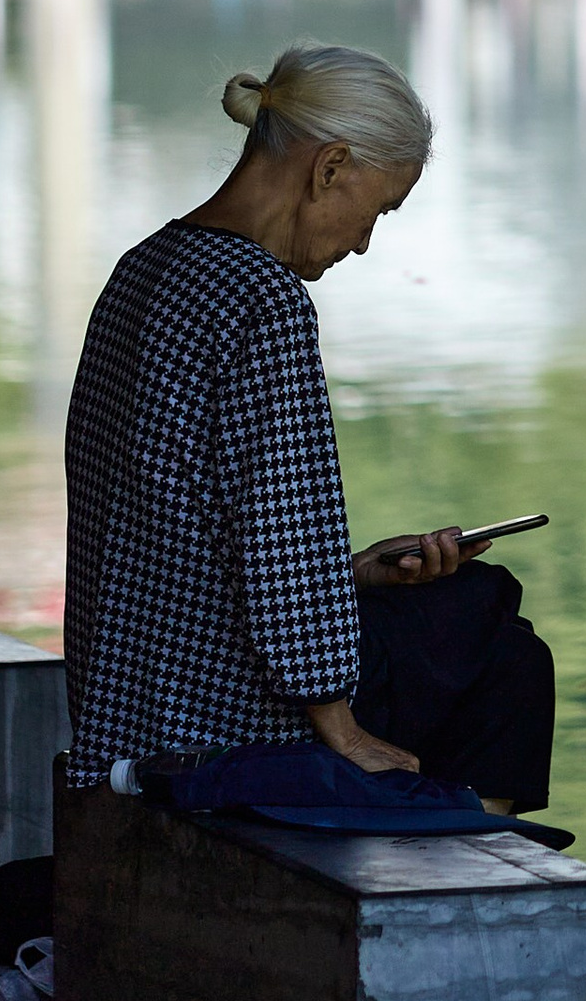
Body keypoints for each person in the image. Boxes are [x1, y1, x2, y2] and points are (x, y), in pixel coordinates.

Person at [60, 41, 554, 814]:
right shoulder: (264, 300)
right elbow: (281, 536)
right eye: (377, 210)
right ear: (329, 168)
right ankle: (459, 848)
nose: (362, 241)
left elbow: (184, 525)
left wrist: (352, 573)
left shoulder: (145, 268)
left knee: (450, 604)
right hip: (213, 716)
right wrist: (342, 727)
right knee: (493, 631)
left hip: (122, 696)